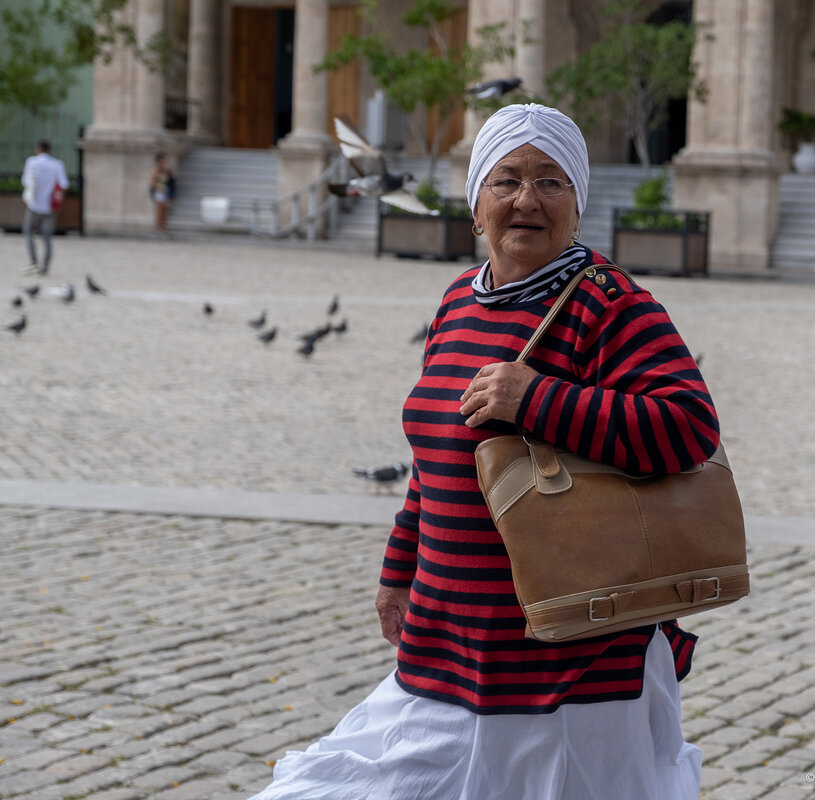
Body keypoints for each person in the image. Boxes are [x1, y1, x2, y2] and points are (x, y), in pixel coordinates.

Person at [249, 104, 716, 800]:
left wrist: (538, 400)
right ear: (476, 204)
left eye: (551, 181)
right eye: (507, 180)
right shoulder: (457, 305)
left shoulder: (612, 305)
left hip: (575, 675)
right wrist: (398, 568)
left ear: (578, 203)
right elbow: (435, 462)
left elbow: (688, 428)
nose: (527, 199)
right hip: (447, 653)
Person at [21, 139, 69, 275]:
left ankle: (33, 261)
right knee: (47, 238)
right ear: (49, 150)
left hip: (33, 205)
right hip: (49, 207)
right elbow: (64, 185)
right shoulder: (57, 165)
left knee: (28, 232)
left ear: (38, 149)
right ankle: (45, 267)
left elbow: (26, 182)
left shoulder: (31, 162)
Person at [148, 152, 174, 233]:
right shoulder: (155, 171)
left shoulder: (165, 171)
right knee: (159, 208)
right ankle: (158, 225)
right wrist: (157, 187)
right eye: (162, 161)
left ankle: (163, 224)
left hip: (164, 191)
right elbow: (152, 183)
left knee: (164, 208)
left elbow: (169, 180)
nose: (163, 162)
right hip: (158, 191)